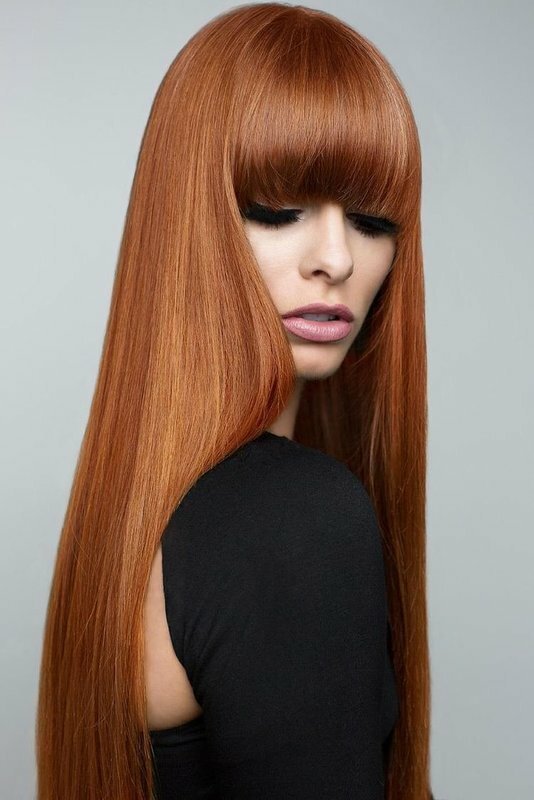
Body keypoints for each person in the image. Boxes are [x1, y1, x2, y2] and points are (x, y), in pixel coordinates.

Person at [36, 3, 433, 798]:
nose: (336, 259)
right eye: (276, 210)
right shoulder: (286, 517)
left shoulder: (138, 517)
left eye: (370, 219)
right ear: (189, 224)